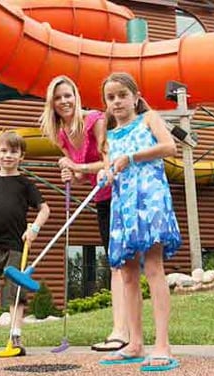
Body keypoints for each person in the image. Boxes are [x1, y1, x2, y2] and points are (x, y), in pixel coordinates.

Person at [39, 75, 130, 353]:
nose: (64, 101)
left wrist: (78, 167)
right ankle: (123, 330)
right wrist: (70, 171)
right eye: (58, 97)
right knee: (116, 263)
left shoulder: (94, 119)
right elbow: (81, 175)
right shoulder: (62, 134)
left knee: (121, 263)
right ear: (51, 104)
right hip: (101, 199)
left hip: (120, 193)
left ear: (76, 96)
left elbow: (106, 160)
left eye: (68, 95)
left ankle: (122, 331)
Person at [97, 72, 182, 371]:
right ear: (106, 104)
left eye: (122, 95)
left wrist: (132, 158)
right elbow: (108, 168)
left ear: (135, 96)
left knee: (154, 267)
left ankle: (162, 344)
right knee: (128, 274)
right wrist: (104, 173)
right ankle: (134, 343)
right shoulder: (108, 136)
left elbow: (169, 147)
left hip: (150, 200)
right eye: (111, 97)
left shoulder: (149, 119)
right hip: (124, 206)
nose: (117, 101)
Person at [0, 131, 51, 356]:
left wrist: (33, 229)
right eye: (4, 151)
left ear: (21, 155)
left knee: (16, 292)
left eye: (14, 151)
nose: (8, 156)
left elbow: (45, 209)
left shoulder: (25, 185)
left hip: (16, 246)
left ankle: (15, 336)